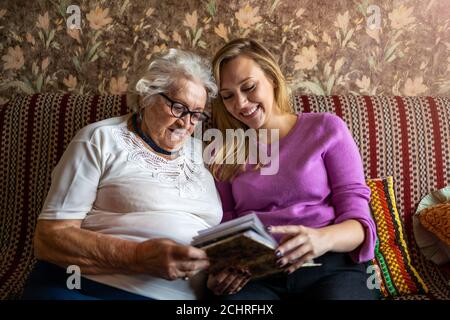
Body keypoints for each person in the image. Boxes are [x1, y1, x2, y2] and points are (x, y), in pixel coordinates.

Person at [22, 49, 223, 300]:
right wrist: (138, 257)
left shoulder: (203, 154)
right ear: (146, 96)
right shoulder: (99, 140)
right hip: (87, 288)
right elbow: (49, 238)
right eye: (178, 107)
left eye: (196, 114)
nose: (186, 123)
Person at [205, 38, 378, 300]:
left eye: (249, 87)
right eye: (228, 96)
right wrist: (220, 269)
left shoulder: (326, 128)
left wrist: (322, 239)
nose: (240, 104)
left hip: (330, 265)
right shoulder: (222, 152)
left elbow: (359, 225)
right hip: (257, 276)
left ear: (272, 79)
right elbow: (225, 224)